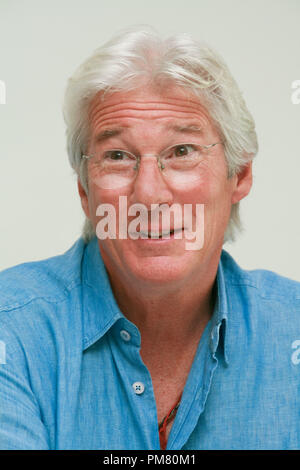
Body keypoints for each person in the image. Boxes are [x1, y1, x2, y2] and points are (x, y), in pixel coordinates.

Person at [1, 25, 300, 451]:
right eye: (118, 156)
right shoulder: (11, 332)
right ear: (85, 191)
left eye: (181, 151)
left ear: (241, 175)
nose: (149, 195)